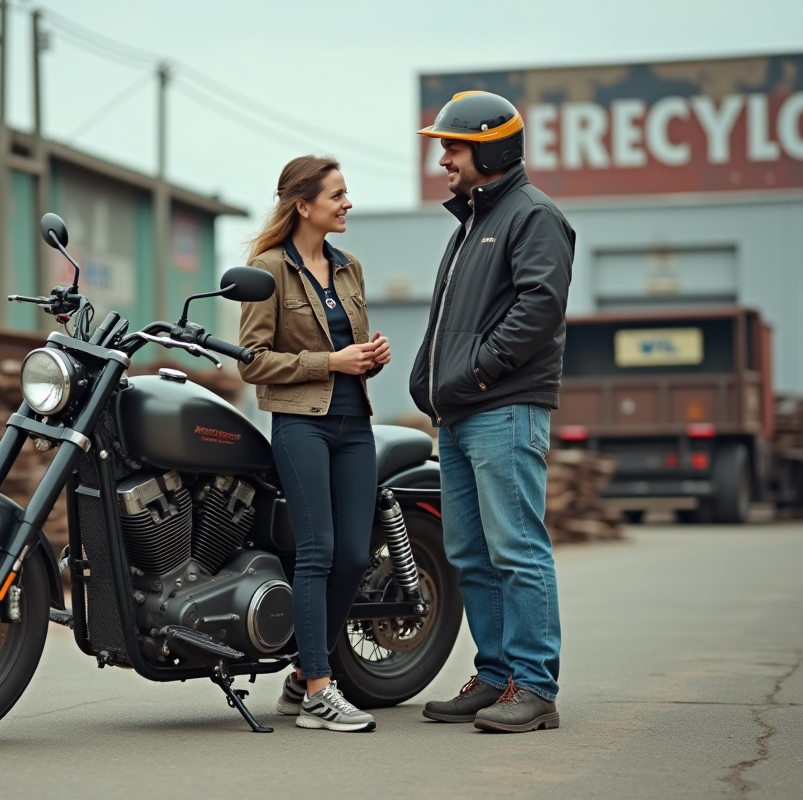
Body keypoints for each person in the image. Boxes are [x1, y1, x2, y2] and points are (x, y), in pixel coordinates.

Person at [410, 92, 575, 733]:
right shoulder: (473, 224)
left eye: (453, 147)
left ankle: (534, 686)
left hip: (503, 410)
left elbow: (539, 308)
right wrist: (434, 384)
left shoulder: (533, 216)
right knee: (471, 554)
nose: (444, 159)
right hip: (460, 416)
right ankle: (498, 675)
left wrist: (475, 370)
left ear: (490, 149)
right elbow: (452, 323)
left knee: (517, 550)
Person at [238, 155, 391, 733]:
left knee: (353, 555)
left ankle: (304, 676)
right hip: (301, 424)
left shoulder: (349, 267)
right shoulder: (267, 269)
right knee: (317, 552)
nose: (347, 203)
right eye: (337, 195)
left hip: (356, 422)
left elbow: (352, 352)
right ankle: (321, 692)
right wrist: (329, 361)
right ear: (303, 205)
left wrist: (369, 359)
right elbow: (252, 361)